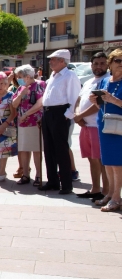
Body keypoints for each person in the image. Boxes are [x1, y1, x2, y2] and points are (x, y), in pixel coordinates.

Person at [39, 50, 81, 194]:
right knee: (49, 148)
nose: (50, 62)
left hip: (60, 113)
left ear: (62, 61)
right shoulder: (53, 75)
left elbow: (75, 98)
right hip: (48, 113)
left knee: (61, 150)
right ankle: (53, 181)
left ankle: (66, 185)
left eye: (54, 59)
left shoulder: (70, 76)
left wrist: (67, 115)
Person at [74, 53, 110, 201]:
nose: (98, 66)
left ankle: (106, 191)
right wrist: (78, 115)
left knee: (101, 160)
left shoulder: (106, 81)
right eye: (96, 63)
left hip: (98, 126)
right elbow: (78, 100)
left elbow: (98, 105)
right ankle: (95, 189)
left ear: (107, 65)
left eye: (102, 63)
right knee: (91, 159)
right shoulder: (89, 82)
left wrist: (80, 115)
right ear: (91, 65)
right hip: (85, 127)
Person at [92, 48, 122, 212]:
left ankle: (117, 197)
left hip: (119, 125)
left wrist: (112, 99)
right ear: (110, 63)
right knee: (108, 161)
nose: (121, 64)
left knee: (118, 163)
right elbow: (101, 104)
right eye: (117, 61)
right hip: (104, 123)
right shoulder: (105, 81)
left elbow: (116, 102)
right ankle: (110, 193)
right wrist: (95, 100)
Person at [12, 65, 45, 186]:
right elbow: (14, 104)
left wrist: (26, 114)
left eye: (20, 77)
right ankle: (25, 174)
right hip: (22, 123)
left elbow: (40, 103)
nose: (18, 79)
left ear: (27, 76)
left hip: (35, 122)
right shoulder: (20, 88)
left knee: (36, 149)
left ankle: (38, 175)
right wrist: (21, 94)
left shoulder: (40, 85)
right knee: (24, 149)